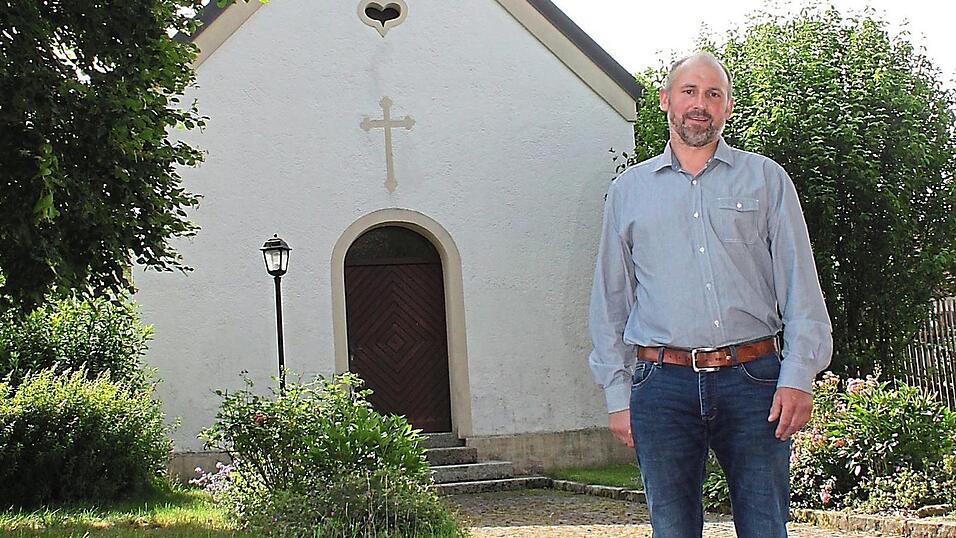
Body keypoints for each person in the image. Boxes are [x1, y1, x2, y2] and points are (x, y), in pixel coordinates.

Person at [588, 52, 832, 537]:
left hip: (756, 382)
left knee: (766, 529)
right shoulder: (629, 192)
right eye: (689, 92)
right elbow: (610, 300)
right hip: (662, 386)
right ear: (666, 101)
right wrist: (618, 394)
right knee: (673, 530)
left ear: (728, 107)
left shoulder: (766, 180)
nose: (700, 104)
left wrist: (799, 375)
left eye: (713, 94)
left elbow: (800, 284)